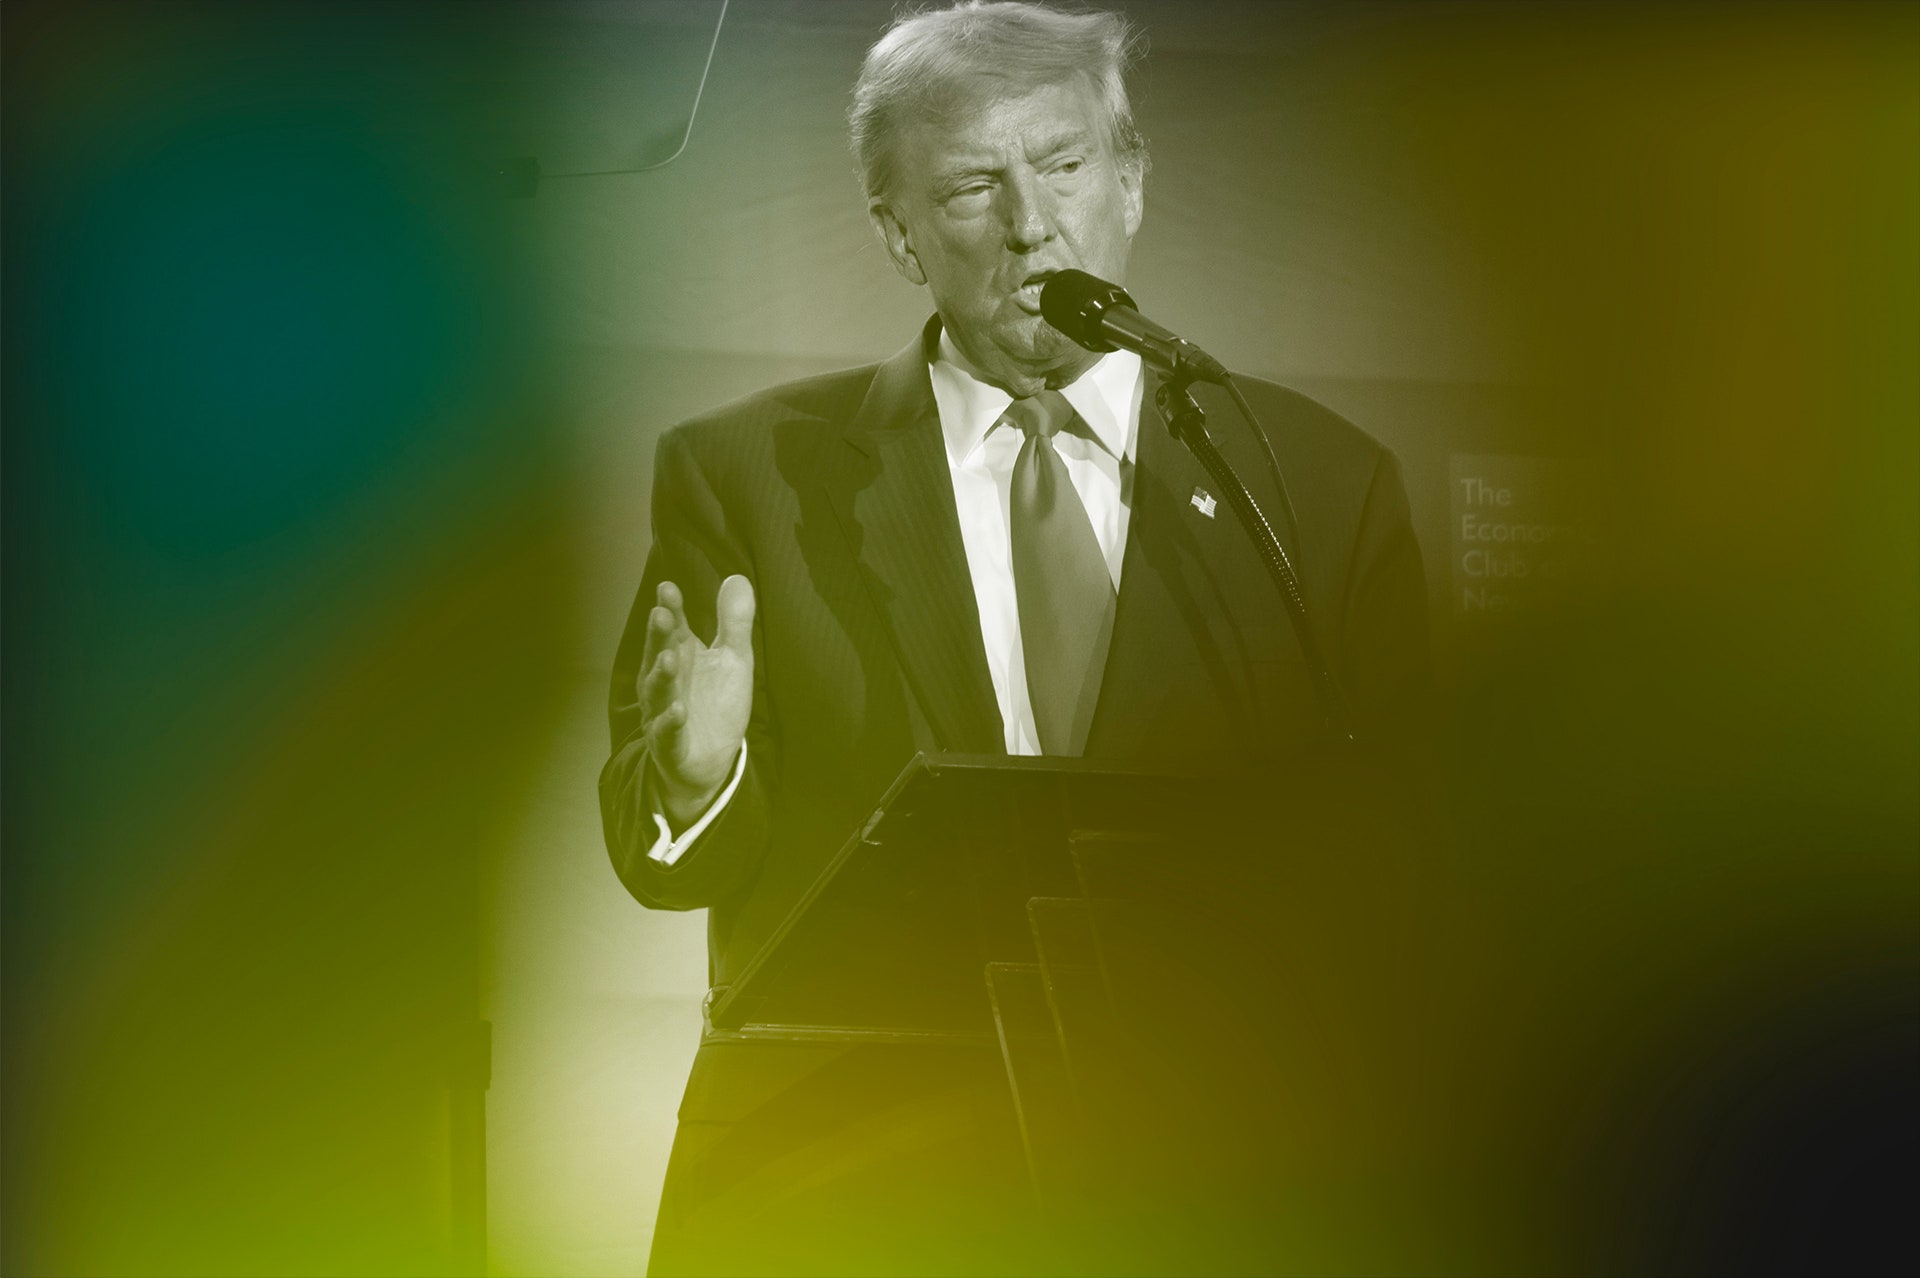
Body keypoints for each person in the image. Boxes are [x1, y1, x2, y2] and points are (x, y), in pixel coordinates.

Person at [599, 3, 1430, 1272]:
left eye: (1065, 165)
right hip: (849, 1188)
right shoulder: (747, 475)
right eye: (975, 186)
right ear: (900, 234)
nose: (1033, 225)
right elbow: (667, 861)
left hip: (1208, 1187)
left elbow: (1410, 861)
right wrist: (698, 781)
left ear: (1133, 184)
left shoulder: (1315, 485)